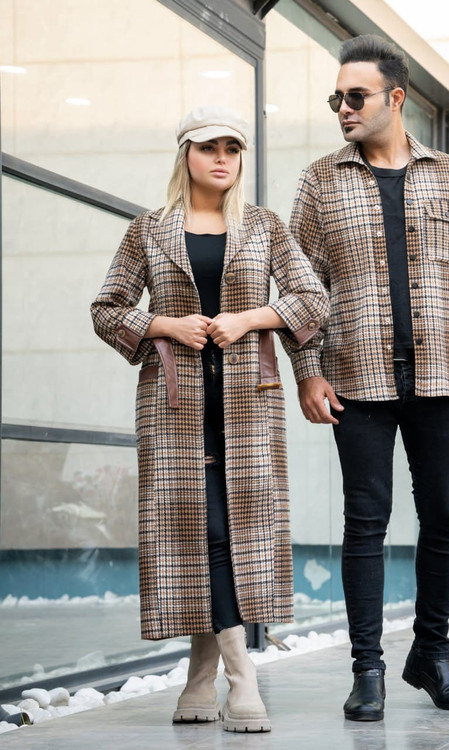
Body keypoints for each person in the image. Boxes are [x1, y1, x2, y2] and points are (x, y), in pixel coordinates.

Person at [91, 106, 328, 733]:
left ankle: (203, 679)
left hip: (249, 405)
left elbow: (313, 299)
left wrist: (248, 318)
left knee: (225, 533)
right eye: (207, 147)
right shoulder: (148, 231)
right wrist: (164, 325)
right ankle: (240, 678)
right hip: (174, 410)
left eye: (232, 148)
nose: (221, 158)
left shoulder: (264, 226)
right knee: (203, 531)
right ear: (185, 155)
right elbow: (107, 308)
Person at [289, 35, 449, 720]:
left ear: (396, 97)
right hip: (356, 381)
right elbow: (300, 288)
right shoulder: (320, 182)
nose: (344, 108)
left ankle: (432, 655)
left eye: (356, 96)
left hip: (439, 374)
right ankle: (368, 670)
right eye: (336, 98)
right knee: (366, 521)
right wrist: (307, 371)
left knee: (444, 514)